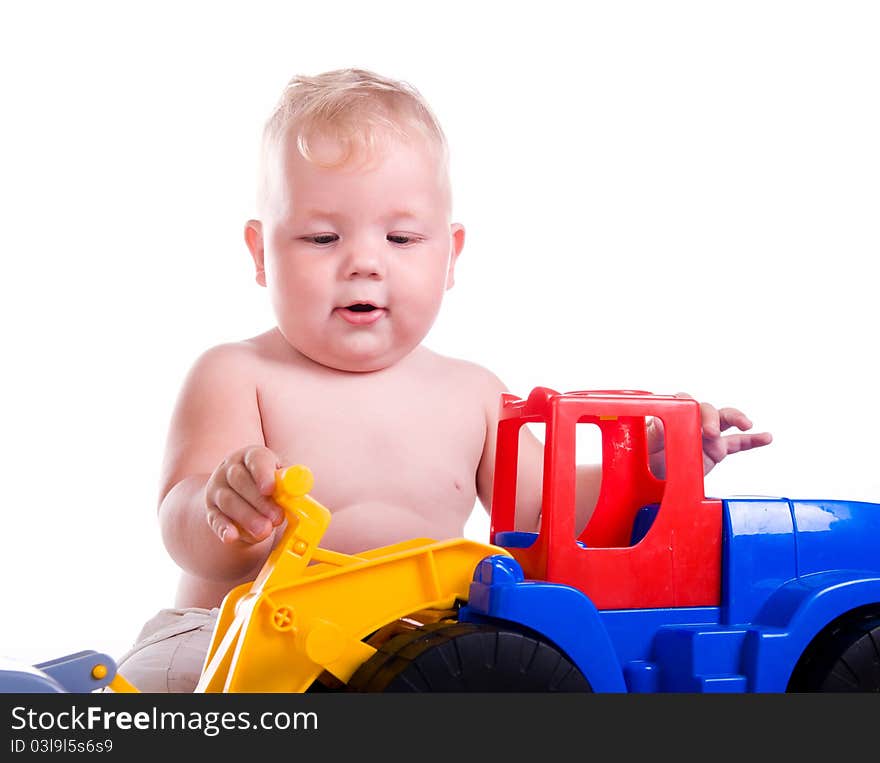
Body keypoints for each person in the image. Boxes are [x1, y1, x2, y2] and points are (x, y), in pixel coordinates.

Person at [114, 68, 772, 692]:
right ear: (262, 253)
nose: (365, 262)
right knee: (163, 687)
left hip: (406, 654)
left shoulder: (474, 396)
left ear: (450, 255)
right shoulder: (239, 374)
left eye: (401, 238)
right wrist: (220, 509)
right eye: (321, 237)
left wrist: (655, 470)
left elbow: (556, 512)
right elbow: (180, 522)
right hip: (233, 636)